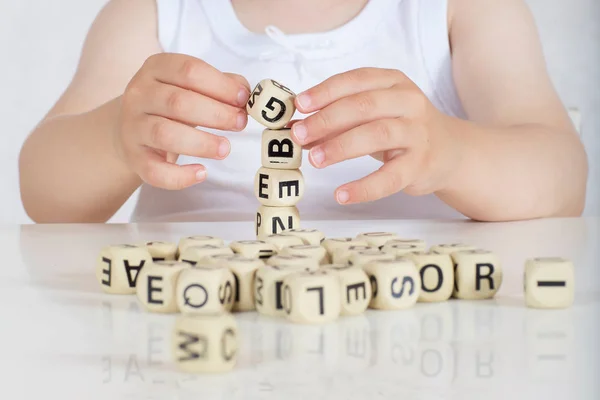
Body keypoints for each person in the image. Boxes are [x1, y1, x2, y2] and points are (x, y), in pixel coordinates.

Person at [19, 0, 588, 224]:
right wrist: (116, 139)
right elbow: (43, 187)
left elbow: (562, 177)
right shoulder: (155, 14)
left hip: (412, 346)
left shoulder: (462, 10)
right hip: (198, 345)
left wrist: (454, 154)